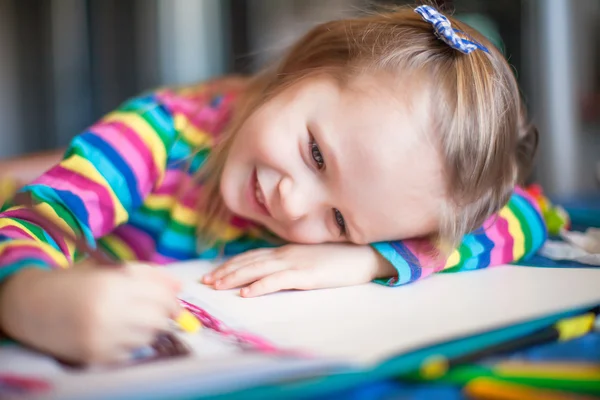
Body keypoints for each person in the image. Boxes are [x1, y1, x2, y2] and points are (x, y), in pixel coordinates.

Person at [0, 5, 545, 364]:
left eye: (338, 221)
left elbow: (533, 215)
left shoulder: (365, 223)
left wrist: (371, 259)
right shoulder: (157, 136)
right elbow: (39, 218)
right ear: (303, 66)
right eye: (315, 154)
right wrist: (29, 298)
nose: (293, 200)